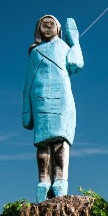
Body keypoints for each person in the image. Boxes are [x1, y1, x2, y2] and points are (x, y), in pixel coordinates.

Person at [22, 15, 84, 202]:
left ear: (57, 28)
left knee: (59, 141)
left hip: (61, 97)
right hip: (39, 98)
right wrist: (26, 110)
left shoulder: (63, 47)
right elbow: (28, 82)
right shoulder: (34, 52)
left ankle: (60, 179)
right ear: (38, 29)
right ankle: (43, 180)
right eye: (44, 24)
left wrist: (74, 40)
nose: (47, 27)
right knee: (42, 144)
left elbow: (76, 64)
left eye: (51, 24)